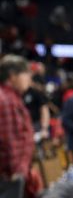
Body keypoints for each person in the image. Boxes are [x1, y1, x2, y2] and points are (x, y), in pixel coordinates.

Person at [0, 55, 40, 198]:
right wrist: (18, 171)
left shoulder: (13, 98)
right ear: (12, 76)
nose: (29, 78)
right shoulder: (5, 100)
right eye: (26, 73)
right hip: (9, 177)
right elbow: (9, 141)